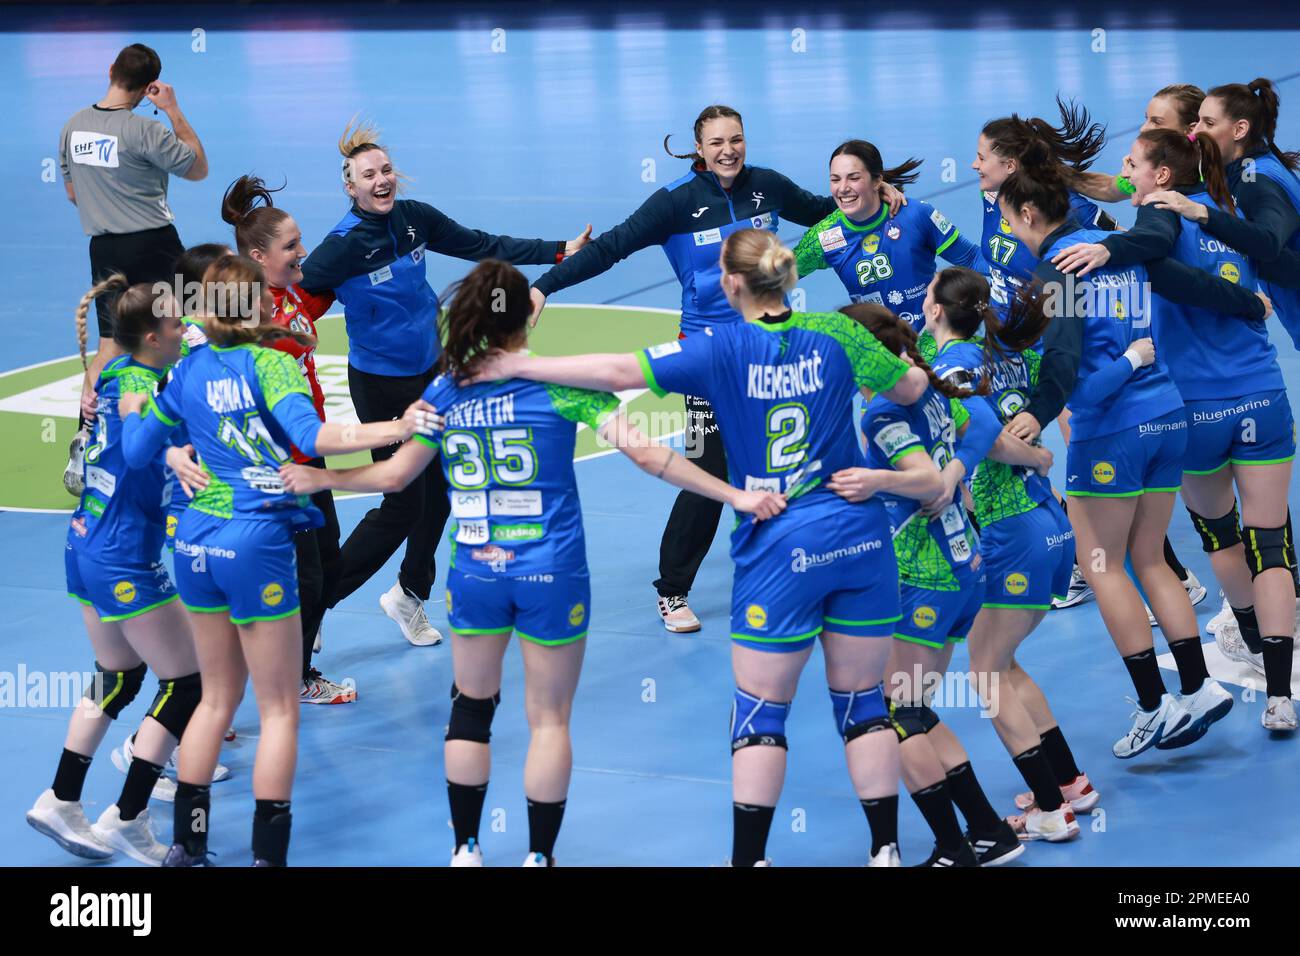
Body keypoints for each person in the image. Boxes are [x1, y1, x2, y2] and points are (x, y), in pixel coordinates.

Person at [282, 259, 784, 866]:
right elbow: (652, 458)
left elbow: (394, 476)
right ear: (528, 316)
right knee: (548, 721)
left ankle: (465, 849)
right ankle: (539, 856)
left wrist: (317, 476)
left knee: (470, 707)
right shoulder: (565, 384)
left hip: (476, 575)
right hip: (553, 573)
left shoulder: (446, 390)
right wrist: (737, 496)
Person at [466, 228, 933, 866]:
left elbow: (616, 370)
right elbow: (910, 390)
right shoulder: (839, 332)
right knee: (862, 703)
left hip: (780, 544)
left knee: (761, 714)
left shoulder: (716, 346)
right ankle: (886, 851)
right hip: (857, 535)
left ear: (730, 282)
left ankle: (751, 860)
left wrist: (518, 364)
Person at [525, 105, 906, 634]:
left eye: (737, 139)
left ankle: (815, 563)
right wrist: (545, 285)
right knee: (708, 467)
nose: (729, 150)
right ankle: (672, 589)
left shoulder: (766, 186)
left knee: (794, 451)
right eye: (717, 142)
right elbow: (611, 248)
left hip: (773, 344)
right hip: (708, 357)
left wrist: (872, 193)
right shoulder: (675, 203)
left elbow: (824, 210)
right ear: (699, 148)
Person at [117, 255, 435, 866]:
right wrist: (399, 423)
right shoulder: (273, 364)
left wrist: (136, 400)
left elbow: (135, 452)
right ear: (260, 305)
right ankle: (267, 855)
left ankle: (188, 845)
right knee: (278, 707)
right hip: (255, 541)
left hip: (195, 543)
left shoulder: (186, 371)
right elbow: (317, 440)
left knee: (213, 699)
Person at [999, 142, 1271, 755]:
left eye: (1011, 219)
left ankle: (1154, 705)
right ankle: (1197, 689)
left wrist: (1036, 416)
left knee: (1102, 567)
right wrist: (1247, 303)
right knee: (1149, 559)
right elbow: (1191, 285)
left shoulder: (1056, 273)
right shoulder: (1122, 250)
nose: (1011, 230)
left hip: (1112, 432)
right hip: (1166, 417)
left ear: (1030, 216)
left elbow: (1071, 372)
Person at [299, 120, 591, 648]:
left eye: (386, 170)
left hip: (433, 376)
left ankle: (408, 595)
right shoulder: (339, 248)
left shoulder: (414, 219)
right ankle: (315, 605)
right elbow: (294, 292)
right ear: (351, 187)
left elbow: (481, 242)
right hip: (381, 388)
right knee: (403, 502)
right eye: (369, 175)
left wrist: (558, 250)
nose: (382, 180)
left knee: (443, 495)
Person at [1051, 128, 1298, 730]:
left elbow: (1152, 252)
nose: (1125, 175)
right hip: (1263, 397)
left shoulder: (1156, 226)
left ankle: (1249, 645)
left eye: (1132, 165)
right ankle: (1281, 694)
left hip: (1195, 412)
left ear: (1162, 177)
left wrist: (1108, 250)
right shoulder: (1232, 213)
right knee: (1273, 546)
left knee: (1222, 539)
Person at [833, 302, 1027, 866]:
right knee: (915, 708)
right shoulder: (929, 383)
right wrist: (958, 468)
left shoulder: (884, 413)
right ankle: (990, 832)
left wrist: (877, 481)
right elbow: (985, 424)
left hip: (925, 575)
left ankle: (952, 847)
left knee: (893, 714)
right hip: (965, 567)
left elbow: (919, 479)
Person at [27, 276, 211, 865]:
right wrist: (175, 454)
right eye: (178, 325)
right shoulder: (138, 389)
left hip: (82, 541)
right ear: (154, 336)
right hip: (122, 557)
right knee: (187, 683)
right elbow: (141, 432)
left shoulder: (113, 372)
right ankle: (129, 817)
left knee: (117, 674)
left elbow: (135, 387)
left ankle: (61, 798)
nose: (185, 330)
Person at [924, 267, 1098, 843]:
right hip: (1048, 523)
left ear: (937, 310)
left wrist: (1034, 457)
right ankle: (1071, 782)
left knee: (986, 672)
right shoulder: (1003, 349)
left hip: (1009, 531)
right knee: (1004, 661)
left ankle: (1050, 810)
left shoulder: (956, 365)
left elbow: (984, 429)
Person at [222, 175, 352, 705]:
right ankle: (218, 694)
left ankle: (294, 671)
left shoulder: (288, 294)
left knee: (324, 568)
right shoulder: (250, 316)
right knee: (297, 580)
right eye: (292, 245)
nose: (303, 251)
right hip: (280, 469)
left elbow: (308, 308)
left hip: (309, 456)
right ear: (258, 256)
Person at [58, 42, 208, 492]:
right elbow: (198, 167)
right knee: (196, 324)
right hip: (155, 244)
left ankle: (86, 441)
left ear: (110, 70)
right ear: (148, 89)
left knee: (110, 346)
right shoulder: (147, 131)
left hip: (104, 249)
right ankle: (209, 435)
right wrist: (174, 110)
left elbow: (71, 193)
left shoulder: (73, 127)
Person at [794, 139, 985, 331]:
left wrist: (1013, 273)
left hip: (929, 342)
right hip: (878, 351)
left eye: (853, 178)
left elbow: (971, 257)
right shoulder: (824, 236)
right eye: (835, 179)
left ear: (877, 180)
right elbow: (772, 279)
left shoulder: (916, 214)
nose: (842, 188)